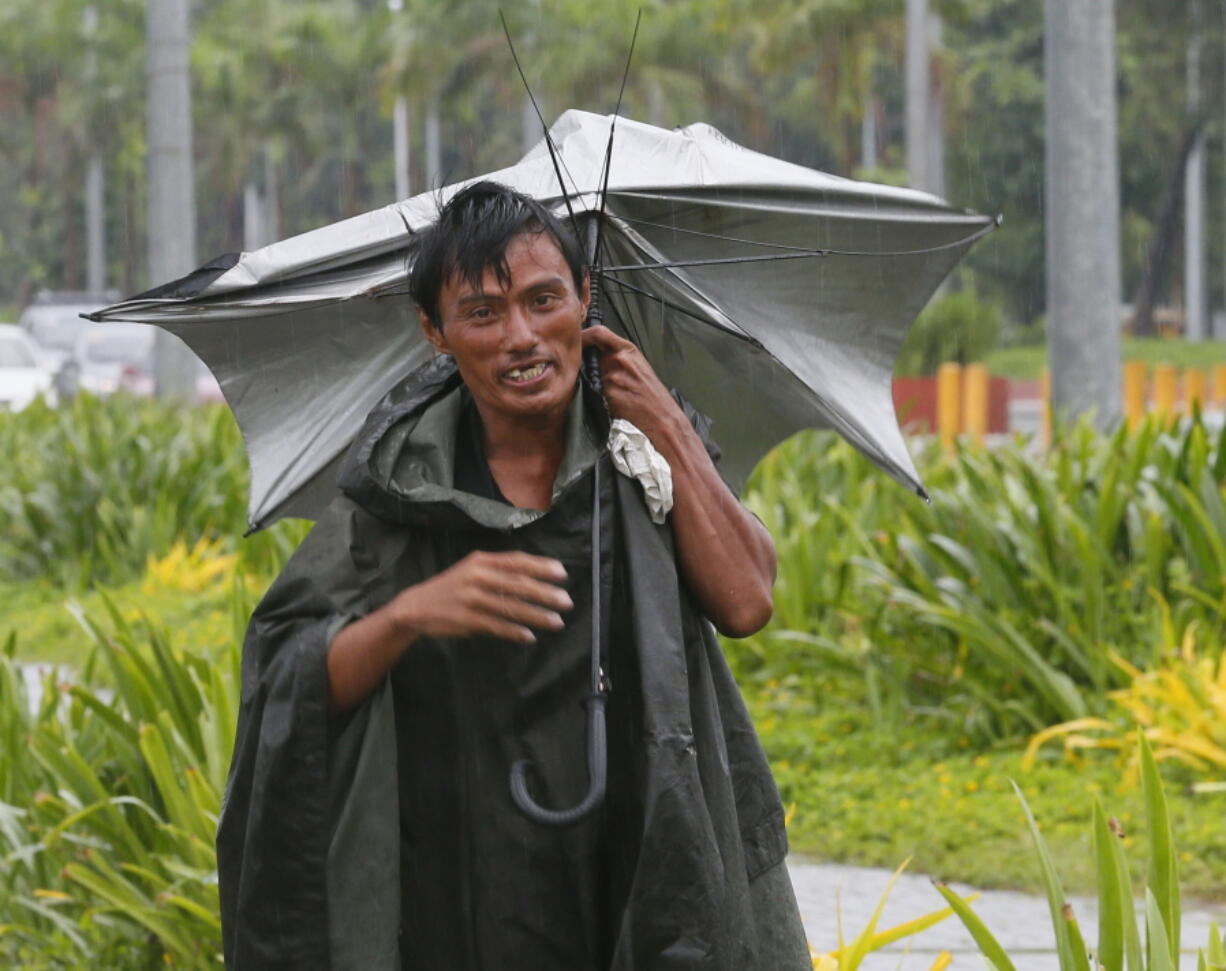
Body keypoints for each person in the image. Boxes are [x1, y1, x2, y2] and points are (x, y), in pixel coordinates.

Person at [217, 181, 811, 970]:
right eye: (483, 314)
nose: (522, 337)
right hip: (461, 871)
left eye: (543, 300)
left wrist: (666, 423)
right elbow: (287, 672)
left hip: (641, 833)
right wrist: (409, 615)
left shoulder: (640, 446)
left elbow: (746, 599)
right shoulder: (401, 487)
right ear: (436, 330)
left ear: (584, 298)